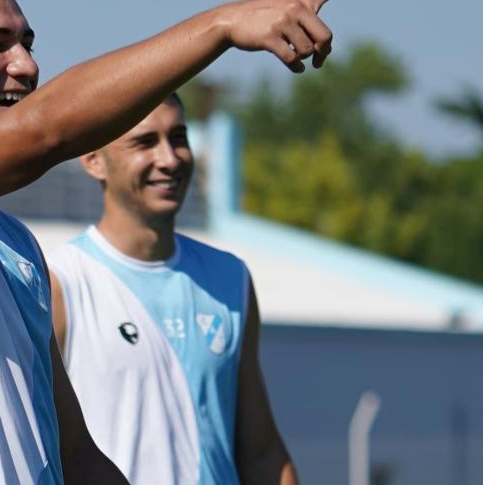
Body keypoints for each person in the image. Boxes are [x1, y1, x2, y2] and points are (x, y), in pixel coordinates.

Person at [0, 0, 364, 483]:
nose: (26, 65)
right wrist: (219, 26)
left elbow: (76, 457)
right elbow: (41, 133)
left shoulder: (12, 242)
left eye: (27, 43)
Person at [48, 95, 297, 485]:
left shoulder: (230, 278)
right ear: (93, 159)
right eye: (145, 142)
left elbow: (261, 452)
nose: (170, 158)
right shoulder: (61, 282)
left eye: (178, 137)